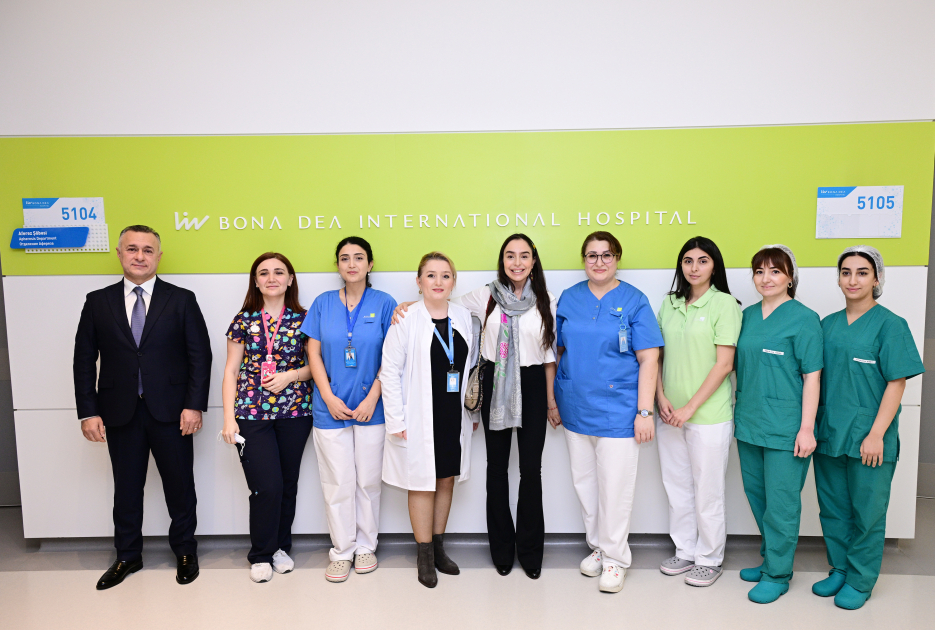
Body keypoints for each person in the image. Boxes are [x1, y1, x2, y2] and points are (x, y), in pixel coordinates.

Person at [393, 233, 557, 579]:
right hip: (495, 382)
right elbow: (440, 301)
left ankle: (530, 553)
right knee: (496, 469)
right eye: (510, 255)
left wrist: (551, 401)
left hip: (531, 384)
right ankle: (502, 552)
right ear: (502, 261)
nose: (516, 262)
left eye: (524, 256)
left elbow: (548, 357)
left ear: (533, 261)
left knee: (531, 470)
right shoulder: (484, 296)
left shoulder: (547, 300)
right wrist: (406, 305)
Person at [74, 225, 211, 590]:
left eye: (147, 250)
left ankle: (185, 551)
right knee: (126, 489)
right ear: (120, 254)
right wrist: (88, 411)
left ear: (158, 257)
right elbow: (84, 360)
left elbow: (200, 356)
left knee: (180, 486)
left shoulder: (181, 299)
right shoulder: (97, 301)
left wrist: (194, 406)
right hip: (119, 412)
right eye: (132, 249)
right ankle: (127, 555)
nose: (139, 256)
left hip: (172, 412)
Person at [812, 246, 923, 610]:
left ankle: (860, 580)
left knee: (867, 512)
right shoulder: (826, 325)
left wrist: (876, 434)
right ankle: (840, 568)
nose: (853, 280)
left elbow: (896, 382)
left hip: (870, 436)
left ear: (877, 278)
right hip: (830, 432)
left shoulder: (891, 325)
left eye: (862, 272)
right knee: (833, 508)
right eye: (846, 272)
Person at [552, 231, 663, 593]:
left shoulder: (634, 300)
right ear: (583, 260)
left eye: (606, 255)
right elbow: (559, 351)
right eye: (592, 255)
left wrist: (644, 412)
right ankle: (599, 547)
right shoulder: (569, 298)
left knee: (615, 488)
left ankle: (616, 559)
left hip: (619, 409)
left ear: (617, 258)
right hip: (575, 406)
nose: (598, 262)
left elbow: (649, 358)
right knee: (585, 484)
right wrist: (555, 400)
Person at [300, 237, 397, 583]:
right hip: (330, 409)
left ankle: (366, 547)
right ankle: (342, 551)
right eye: (344, 258)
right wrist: (327, 396)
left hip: (373, 408)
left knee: (368, 481)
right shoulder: (322, 303)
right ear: (338, 265)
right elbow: (313, 354)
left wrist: (373, 397)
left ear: (370, 264)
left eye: (359, 258)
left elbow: (392, 356)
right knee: (337, 482)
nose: (352, 264)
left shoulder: (384, 303)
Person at [380, 252, 478, 588]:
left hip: (453, 415)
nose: (438, 282)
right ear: (419, 281)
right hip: (418, 416)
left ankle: (438, 548)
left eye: (445, 276)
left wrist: (471, 412)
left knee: (446, 479)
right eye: (431, 275)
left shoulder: (463, 317)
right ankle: (423, 555)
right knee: (422, 482)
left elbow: (470, 368)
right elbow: (389, 371)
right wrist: (396, 419)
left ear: (453, 282)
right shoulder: (406, 318)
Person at [733, 245, 823, 604]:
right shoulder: (747, 316)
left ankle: (778, 574)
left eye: (775, 271)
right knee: (758, 496)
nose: (765, 278)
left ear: (790, 277)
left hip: (787, 427)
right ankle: (770, 558)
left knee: (782, 503)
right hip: (749, 422)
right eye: (759, 271)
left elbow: (812, 376)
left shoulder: (805, 319)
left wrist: (807, 428)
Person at [221, 252, 314, 583]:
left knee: (287, 484)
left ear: (290, 279)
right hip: (250, 413)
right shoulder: (243, 320)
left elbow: (316, 367)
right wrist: (229, 418)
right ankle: (260, 553)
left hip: (295, 412)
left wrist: (291, 376)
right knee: (266, 486)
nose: (271, 278)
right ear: (256, 281)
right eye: (264, 273)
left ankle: (279, 548)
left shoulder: (305, 318)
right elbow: (231, 371)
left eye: (279, 272)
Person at [655, 237, 741, 587]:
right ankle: (685, 549)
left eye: (703, 261)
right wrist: (660, 397)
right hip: (669, 414)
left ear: (714, 266)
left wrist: (690, 408)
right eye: (688, 261)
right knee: (677, 486)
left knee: (708, 490)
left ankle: (709, 558)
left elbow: (724, 365)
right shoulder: (670, 303)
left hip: (708, 415)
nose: (694, 267)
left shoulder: (725, 304)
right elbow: (656, 355)